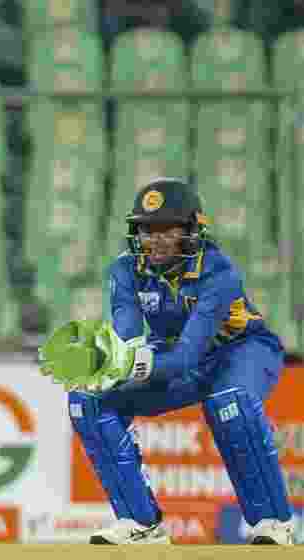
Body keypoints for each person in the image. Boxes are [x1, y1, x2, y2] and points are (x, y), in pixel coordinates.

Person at [58, 177, 294, 545]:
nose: (154, 239)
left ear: (192, 231)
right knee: (86, 401)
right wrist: (106, 365)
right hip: (173, 353)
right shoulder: (125, 270)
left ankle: (274, 523)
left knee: (229, 402)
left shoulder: (219, 273)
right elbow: (128, 332)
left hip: (242, 350)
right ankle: (141, 523)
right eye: (147, 230)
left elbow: (187, 355)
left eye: (167, 230)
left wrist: (133, 364)